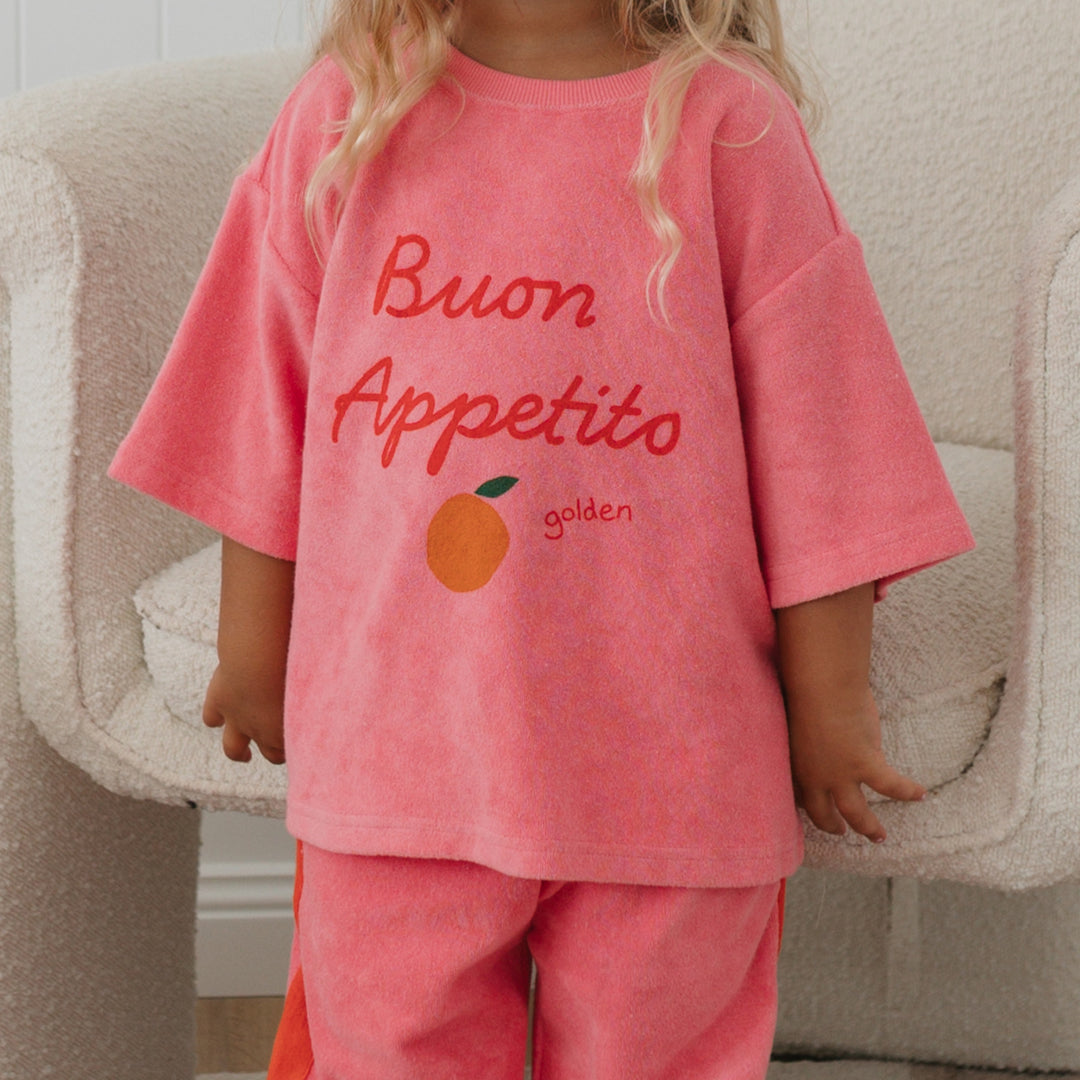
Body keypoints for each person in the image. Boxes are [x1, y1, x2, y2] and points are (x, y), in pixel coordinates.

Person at [109, 0, 975, 1076]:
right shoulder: (349, 109)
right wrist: (253, 642)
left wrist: (832, 701)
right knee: (387, 1051)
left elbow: (820, 428)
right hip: (400, 757)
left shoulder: (728, 122)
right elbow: (262, 388)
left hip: (673, 760)